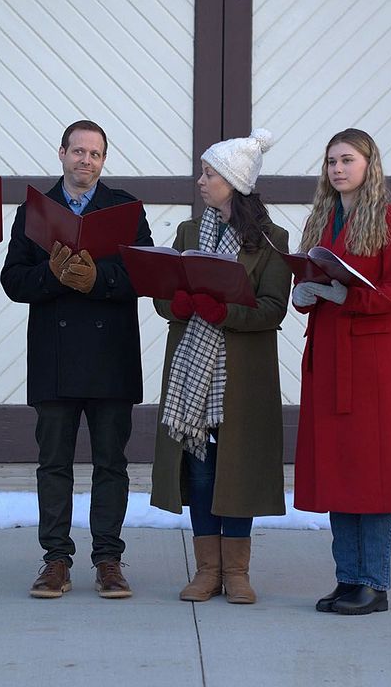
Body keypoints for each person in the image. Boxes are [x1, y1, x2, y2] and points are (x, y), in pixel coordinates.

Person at [0, 120, 152, 599]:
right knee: (54, 464)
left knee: (111, 463)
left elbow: (147, 274)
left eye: (96, 154)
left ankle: (108, 558)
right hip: (56, 357)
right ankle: (55, 561)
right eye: (78, 151)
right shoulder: (34, 210)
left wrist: (99, 279)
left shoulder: (125, 207)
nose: (86, 160)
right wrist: (52, 275)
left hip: (112, 356)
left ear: (104, 160)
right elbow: (13, 281)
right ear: (61, 153)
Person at [150, 129, 290, 604]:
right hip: (192, 372)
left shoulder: (273, 240)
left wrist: (224, 312)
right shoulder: (190, 233)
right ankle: (207, 570)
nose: (201, 181)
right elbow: (162, 297)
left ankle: (238, 572)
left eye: (209, 174)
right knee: (202, 471)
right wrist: (180, 304)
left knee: (239, 470)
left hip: (242, 377)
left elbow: (274, 310)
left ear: (233, 181)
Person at [292, 128, 391, 615]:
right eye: (330, 162)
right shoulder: (321, 220)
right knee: (339, 470)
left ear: (369, 164)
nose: (338, 169)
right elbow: (310, 278)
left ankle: (374, 583)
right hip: (327, 357)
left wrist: (353, 296)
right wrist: (303, 296)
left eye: (347, 160)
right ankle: (348, 579)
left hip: (371, 364)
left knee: (373, 471)